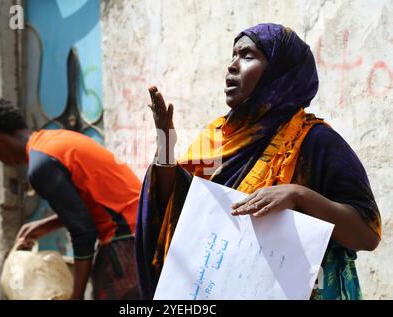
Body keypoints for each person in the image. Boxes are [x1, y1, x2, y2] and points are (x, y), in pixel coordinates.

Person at [137, 23, 381, 300]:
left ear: (279, 72)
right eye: (233, 55)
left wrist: (298, 195)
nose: (232, 66)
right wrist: (165, 144)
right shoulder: (217, 138)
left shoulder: (316, 141)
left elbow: (367, 235)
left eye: (248, 55)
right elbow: (176, 208)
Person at [0, 98, 142, 299]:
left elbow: (83, 232)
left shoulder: (40, 166)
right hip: (141, 226)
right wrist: (47, 225)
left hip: (125, 240)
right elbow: (88, 205)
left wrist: (77, 294)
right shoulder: (53, 140)